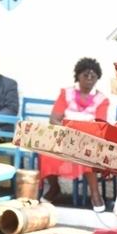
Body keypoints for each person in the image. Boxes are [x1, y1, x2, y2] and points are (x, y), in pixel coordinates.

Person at [39, 57, 109, 212]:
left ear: (97, 78)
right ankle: (54, 188)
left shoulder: (102, 99)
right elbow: (54, 119)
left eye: (93, 76)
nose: (89, 79)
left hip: (88, 140)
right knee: (45, 151)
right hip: (64, 137)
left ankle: (95, 194)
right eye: (86, 75)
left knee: (89, 153)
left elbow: (100, 125)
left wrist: (82, 137)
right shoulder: (66, 93)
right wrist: (68, 134)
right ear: (78, 75)